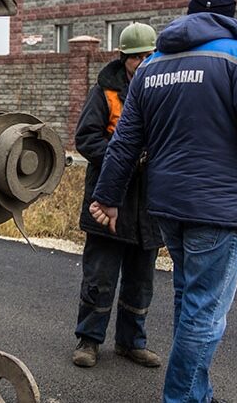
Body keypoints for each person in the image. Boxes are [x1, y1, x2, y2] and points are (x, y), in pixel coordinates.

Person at [89, 0, 237, 403]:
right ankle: (181, 398)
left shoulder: (153, 65)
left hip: (168, 206)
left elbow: (125, 140)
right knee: (206, 314)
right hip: (217, 206)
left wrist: (108, 196)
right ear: (231, 17)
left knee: (190, 300)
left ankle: (196, 392)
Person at [71, 22, 164, 369]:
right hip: (108, 200)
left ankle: (131, 342)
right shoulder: (106, 92)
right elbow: (86, 139)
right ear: (123, 58)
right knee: (100, 277)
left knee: (141, 282)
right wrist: (123, 157)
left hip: (148, 207)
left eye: (148, 55)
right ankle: (89, 340)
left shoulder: (162, 90)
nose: (142, 62)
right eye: (136, 57)